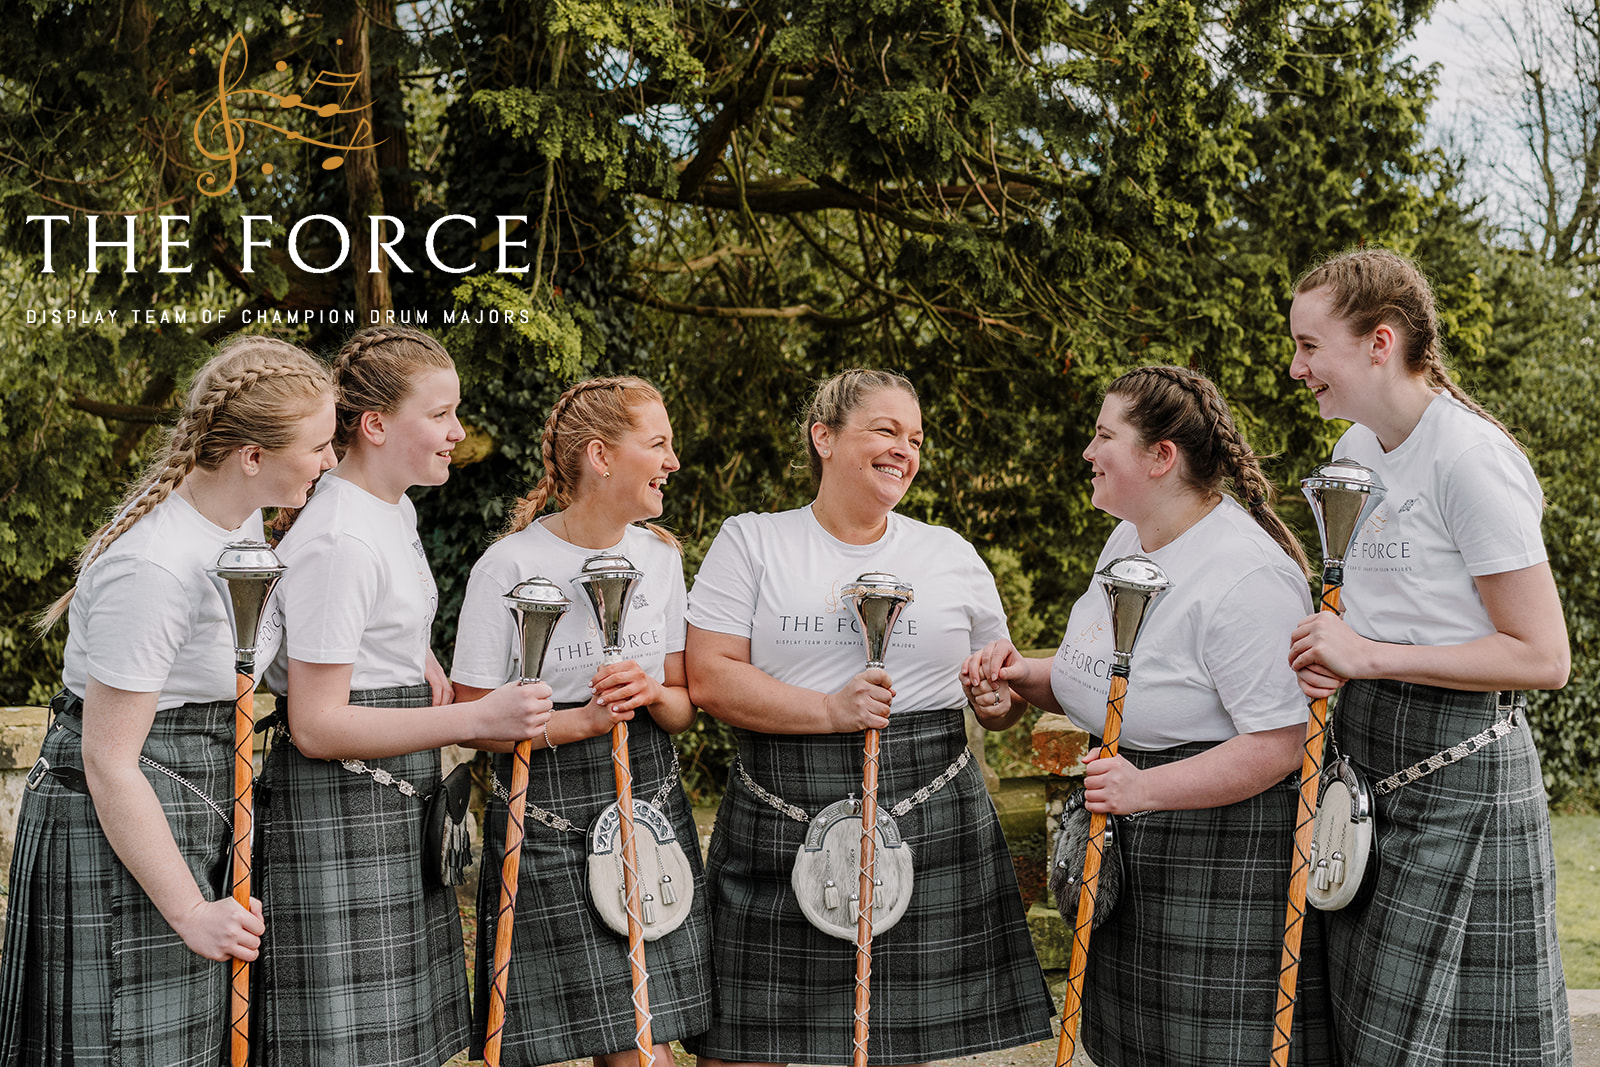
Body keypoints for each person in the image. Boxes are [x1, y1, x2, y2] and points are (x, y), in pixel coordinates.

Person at [962, 364, 1335, 1067]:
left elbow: (1284, 743)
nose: (1088, 451)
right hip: (1129, 840)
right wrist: (1022, 677)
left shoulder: (1247, 575)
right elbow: (1115, 679)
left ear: (1161, 456)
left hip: (1219, 856)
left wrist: (1143, 788)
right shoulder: (1130, 539)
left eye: (1105, 436)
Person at [684, 368, 1054, 1067]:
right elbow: (710, 675)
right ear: (823, 438)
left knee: (897, 1044)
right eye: (885, 430)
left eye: (915, 438)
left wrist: (996, 702)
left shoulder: (949, 554)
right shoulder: (754, 541)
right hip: (780, 804)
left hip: (929, 807)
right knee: (742, 1048)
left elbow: (1000, 689)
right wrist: (830, 709)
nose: (904, 450)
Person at [0, 336, 336, 1065]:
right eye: (317, 446)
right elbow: (109, 760)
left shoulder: (239, 517)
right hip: (116, 818)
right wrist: (189, 910)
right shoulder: (152, 568)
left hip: (191, 805)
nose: (330, 460)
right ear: (252, 456)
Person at [1286, 248, 1571, 1066]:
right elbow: (1379, 607)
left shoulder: (1469, 458)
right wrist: (1332, 644)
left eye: (1310, 346)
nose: (1296, 367)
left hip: (1462, 767)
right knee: (1362, 1030)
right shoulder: (1354, 449)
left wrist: (1365, 655)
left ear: (1380, 342)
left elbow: (1543, 656)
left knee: (1449, 1043)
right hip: (1366, 756)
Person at [256, 326, 553, 1067]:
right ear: (376, 424)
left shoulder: (390, 510)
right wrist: (472, 716)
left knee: (396, 1042)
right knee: (348, 1047)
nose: (458, 432)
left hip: (388, 796)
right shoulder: (341, 539)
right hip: (338, 801)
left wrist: (414, 652)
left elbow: (369, 626)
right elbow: (317, 723)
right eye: (440, 414)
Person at [450, 375, 711, 1067]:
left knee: (639, 1038)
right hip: (545, 805)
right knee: (610, 1041)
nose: (672, 461)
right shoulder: (508, 564)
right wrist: (578, 723)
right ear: (601, 455)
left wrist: (651, 690)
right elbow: (468, 717)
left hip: (647, 798)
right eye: (657, 444)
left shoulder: (660, 557)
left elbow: (683, 707)